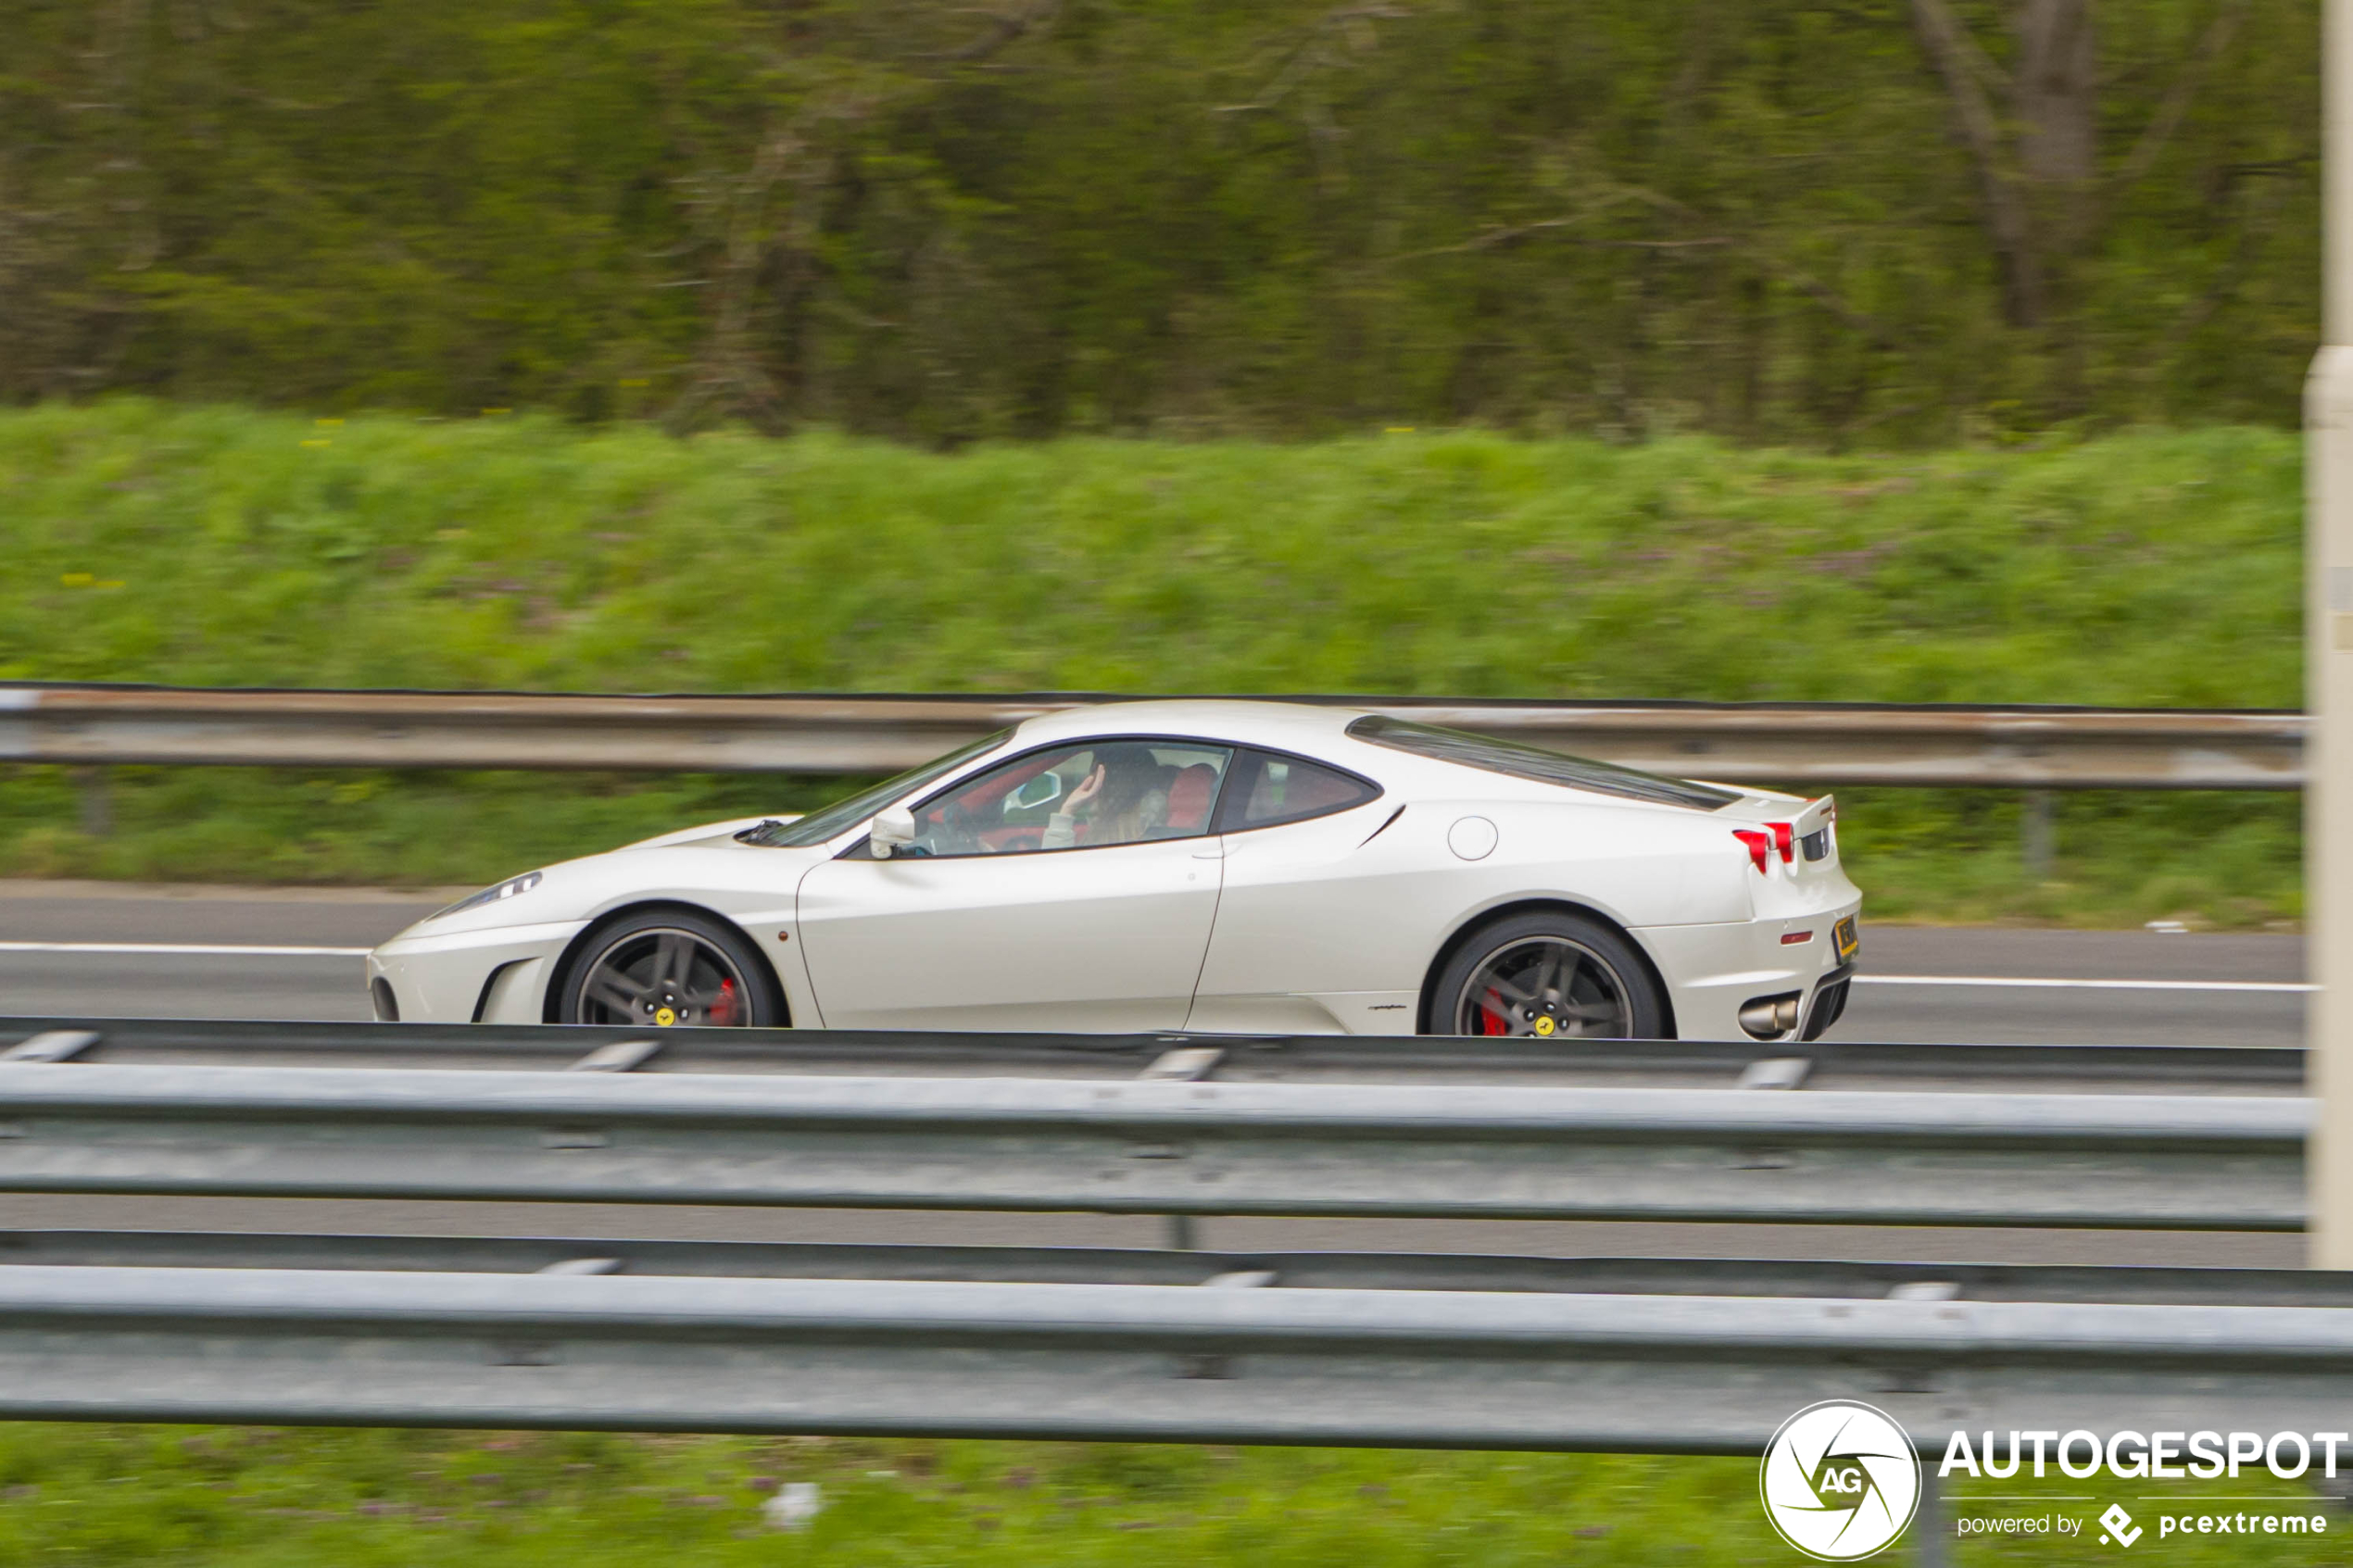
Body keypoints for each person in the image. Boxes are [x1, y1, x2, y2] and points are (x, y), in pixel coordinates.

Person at [1040, 752, 1168, 848]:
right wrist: (1068, 809)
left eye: (1098, 774)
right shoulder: (1104, 830)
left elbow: (1053, 870)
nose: (1091, 784)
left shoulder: (1147, 836)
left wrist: (1067, 810)